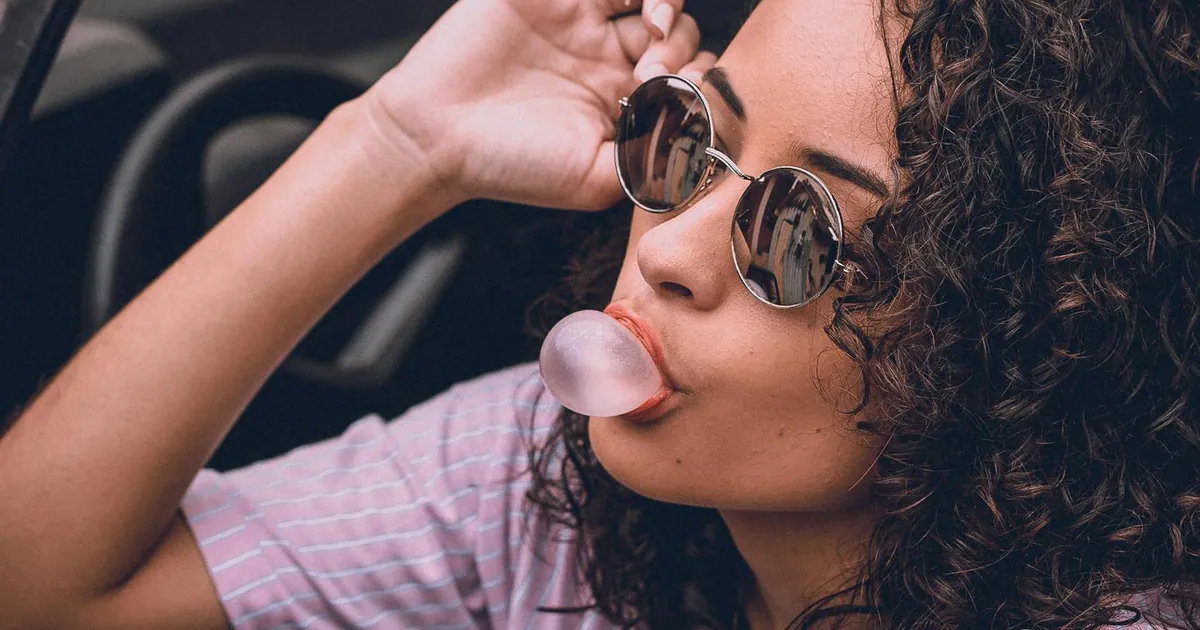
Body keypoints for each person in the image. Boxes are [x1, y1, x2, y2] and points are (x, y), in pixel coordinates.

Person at [2, 0, 1199, 627]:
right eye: (687, 140)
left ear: (1020, 339)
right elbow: (36, 584)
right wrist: (396, 142)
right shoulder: (541, 493)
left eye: (794, 228)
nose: (670, 247)